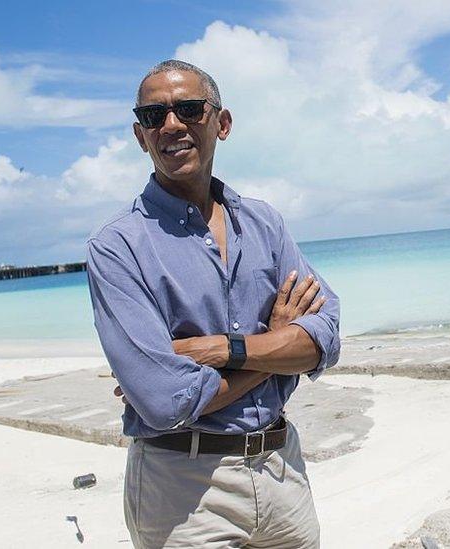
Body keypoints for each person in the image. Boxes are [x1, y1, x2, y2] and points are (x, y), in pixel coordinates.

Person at [85, 59, 340, 549]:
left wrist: (225, 349)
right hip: (183, 489)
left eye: (188, 109)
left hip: (282, 469)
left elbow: (325, 337)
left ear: (221, 123)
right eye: (154, 116)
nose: (172, 125)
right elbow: (164, 401)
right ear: (141, 136)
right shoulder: (117, 246)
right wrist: (274, 346)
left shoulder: (265, 223)